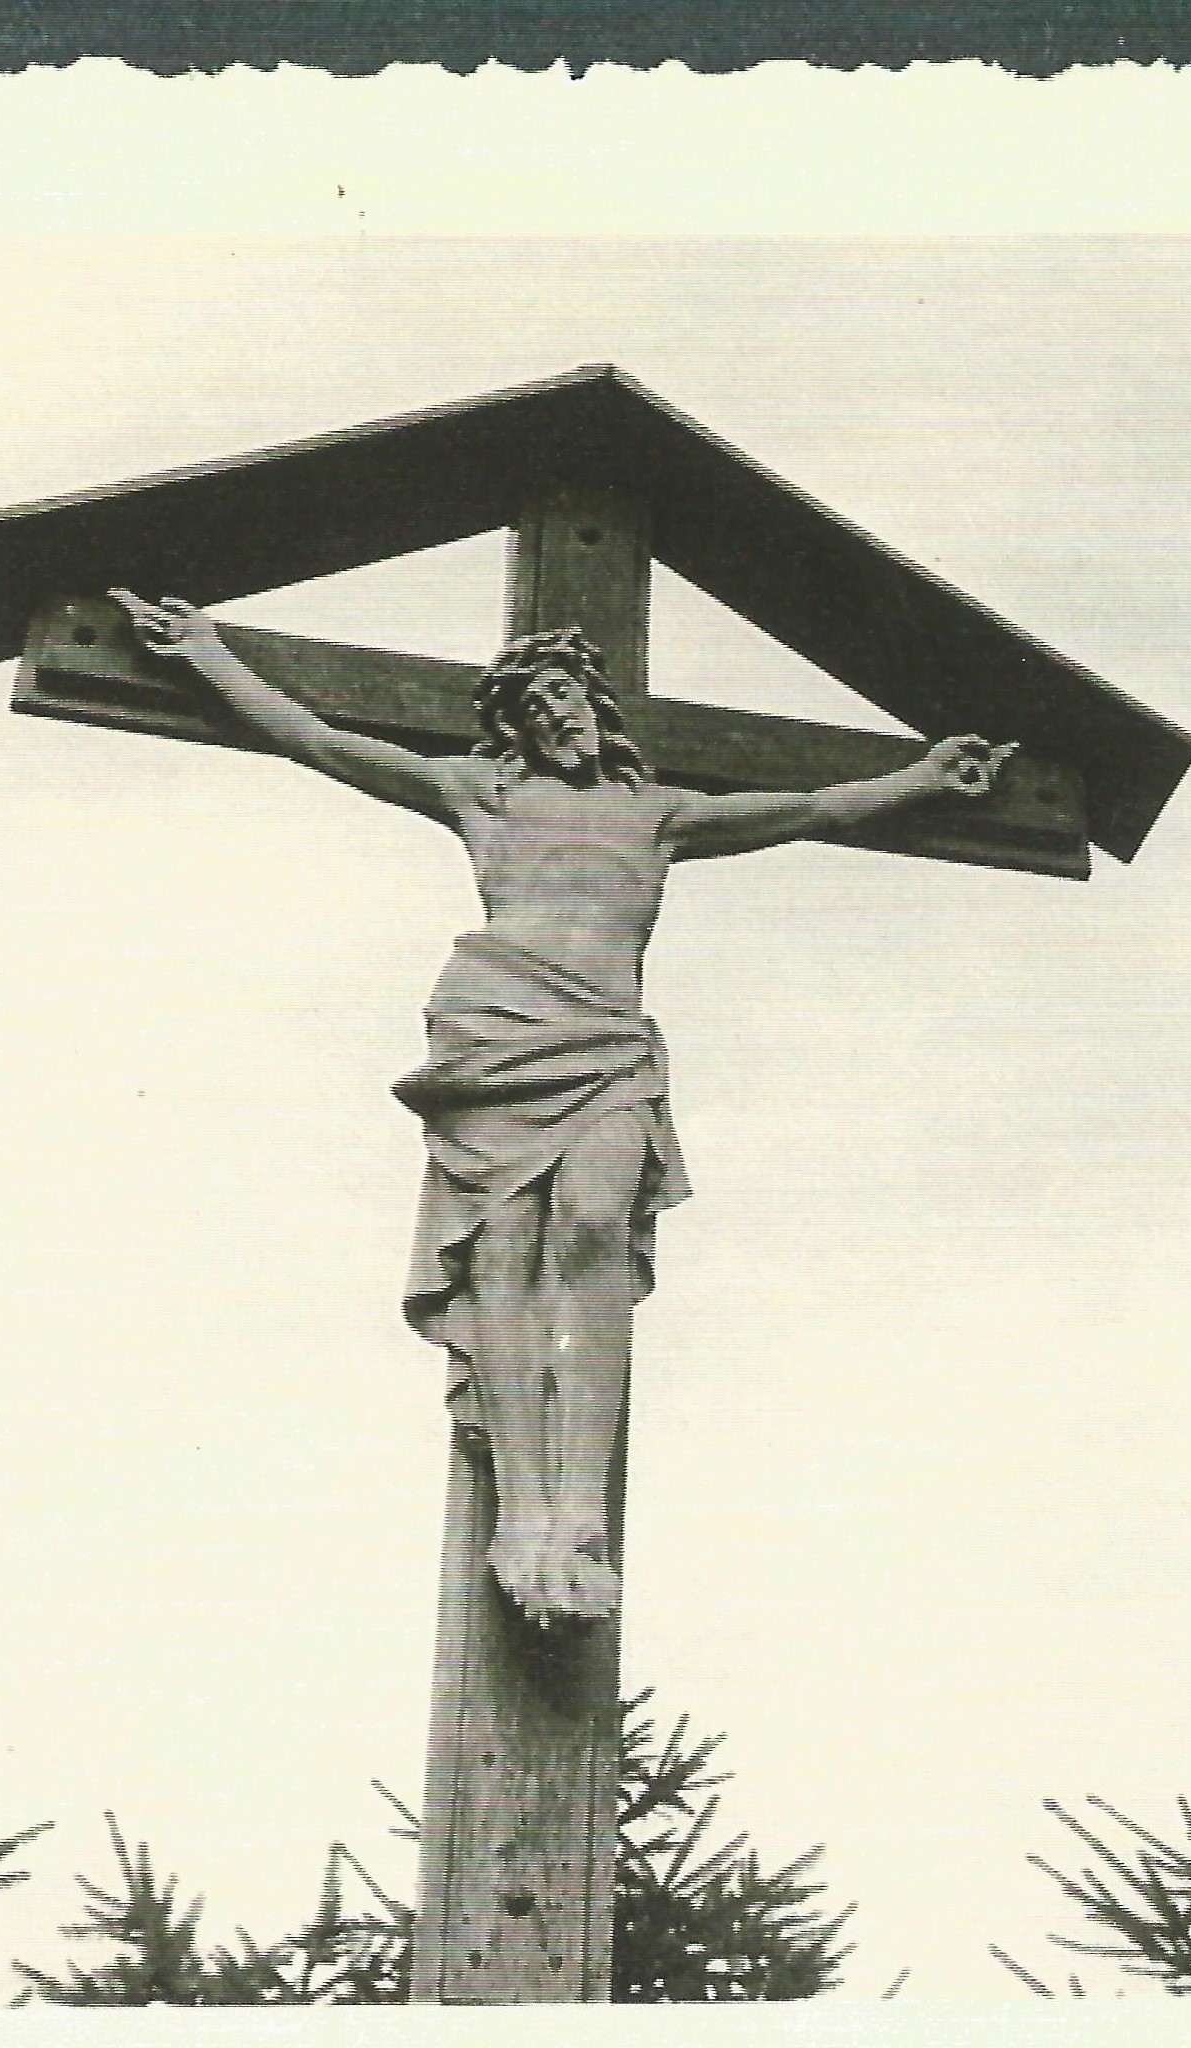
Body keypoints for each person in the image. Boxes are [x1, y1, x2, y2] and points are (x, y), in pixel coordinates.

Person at [109, 589, 1014, 1625]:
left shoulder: (658, 814)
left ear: (592, 703)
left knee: (591, 1226)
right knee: (499, 1257)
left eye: (563, 696)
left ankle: (578, 1507)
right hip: (496, 1030)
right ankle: (522, 1511)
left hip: (606, 1044)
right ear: (515, 730)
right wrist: (209, 656)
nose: (554, 716)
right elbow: (322, 742)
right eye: (533, 708)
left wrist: (920, 778)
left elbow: (810, 809)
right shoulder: (480, 795)